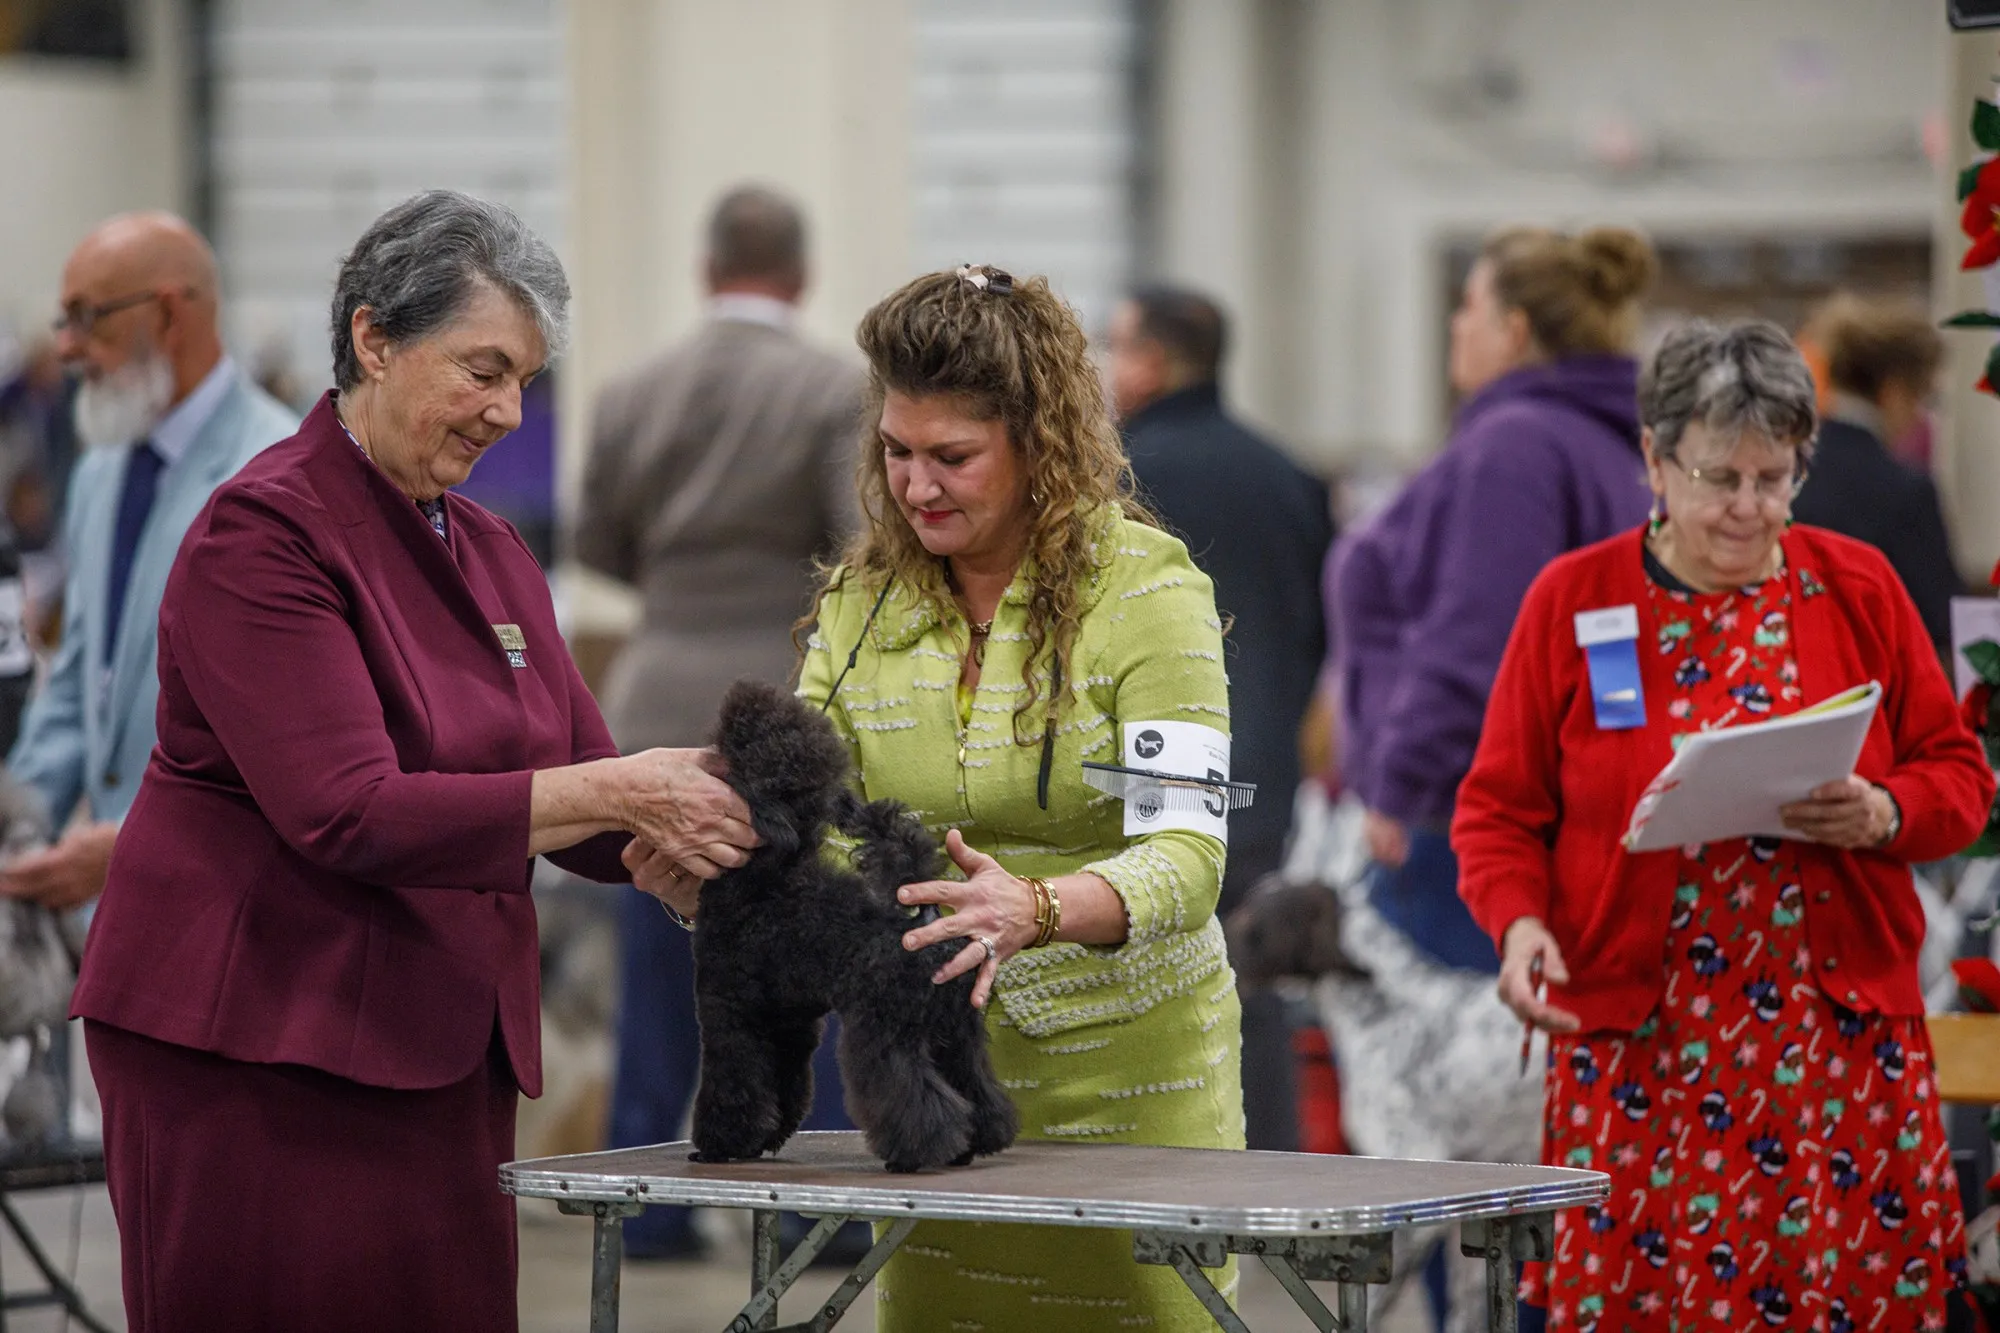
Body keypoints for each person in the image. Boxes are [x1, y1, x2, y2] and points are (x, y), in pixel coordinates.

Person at [68, 191, 758, 1333]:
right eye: (482, 369)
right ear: (372, 339)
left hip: (432, 1035)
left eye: (526, 381)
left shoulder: (488, 544)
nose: (507, 411)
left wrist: (669, 846)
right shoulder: (263, 533)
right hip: (258, 1042)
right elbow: (348, 811)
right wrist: (614, 791)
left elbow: (572, 778)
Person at [1455, 319, 1991, 1330]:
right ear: (1654, 461)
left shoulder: (1855, 584)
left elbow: (1957, 774)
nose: (1747, 510)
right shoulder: (1574, 601)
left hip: (1830, 1045)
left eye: (1773, 479)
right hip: (1641, 1045)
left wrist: (1883, 810)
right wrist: (1518, 924)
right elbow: (1496, 811)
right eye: (1717, 479)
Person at [792, 265, 1243, 1330]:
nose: (914, 487)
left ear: (1041, 443)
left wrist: (1032, 909)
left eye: (952, 457)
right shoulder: (860, 602)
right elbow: (808, 815)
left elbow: (1188, 852)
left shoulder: (1149, 589)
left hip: (1139, 1085)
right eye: (895, 453)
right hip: (935, 1095)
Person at [1320, 224, 1657, 1331]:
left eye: (1464, 307)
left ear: (1513, 327)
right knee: (1532, 1130)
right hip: (1562, 821)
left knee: (1452, 1139)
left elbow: (1473, 640)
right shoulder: (1606, 443)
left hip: (1467, 823)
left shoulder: (1511, 446)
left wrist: (1398, 782)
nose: (1452, 329)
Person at [577, 183, 864, 1260]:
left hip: (648, 689)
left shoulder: (630, 391)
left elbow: (599, 544)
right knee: (800, 958)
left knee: (655, 961)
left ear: (707, 271)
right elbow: (851, 544)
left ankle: (642, 1209)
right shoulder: (833, 388)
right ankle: (809, 1205)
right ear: (801, 273)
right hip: (775, 701)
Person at [1, 213, 296, 918]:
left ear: (167, 313)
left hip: (238, 912)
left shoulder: (279, 473)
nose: (66, 348)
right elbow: (80, 684)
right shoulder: (102, 469)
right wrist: (18, 834)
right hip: (116, 918)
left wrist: (137, 842)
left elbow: (289, 737)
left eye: (87, 319)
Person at [1108, 285, 1332, 1155]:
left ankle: (1154, 1170)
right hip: (1267, 767)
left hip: (1149, 761)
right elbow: (1319, 629)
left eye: (1115, 345)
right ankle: (1264, 1170)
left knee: (1144, 967)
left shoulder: (1124, 475)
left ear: (1152, 362)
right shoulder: (1290, 476)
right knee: (1252, 981)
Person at [1792, 294, 1959, 656]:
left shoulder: (1782, 475)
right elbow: (1940, 626)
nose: (1919, 418)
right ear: (1894, 392)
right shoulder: (1907, 492)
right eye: (1922, 398)